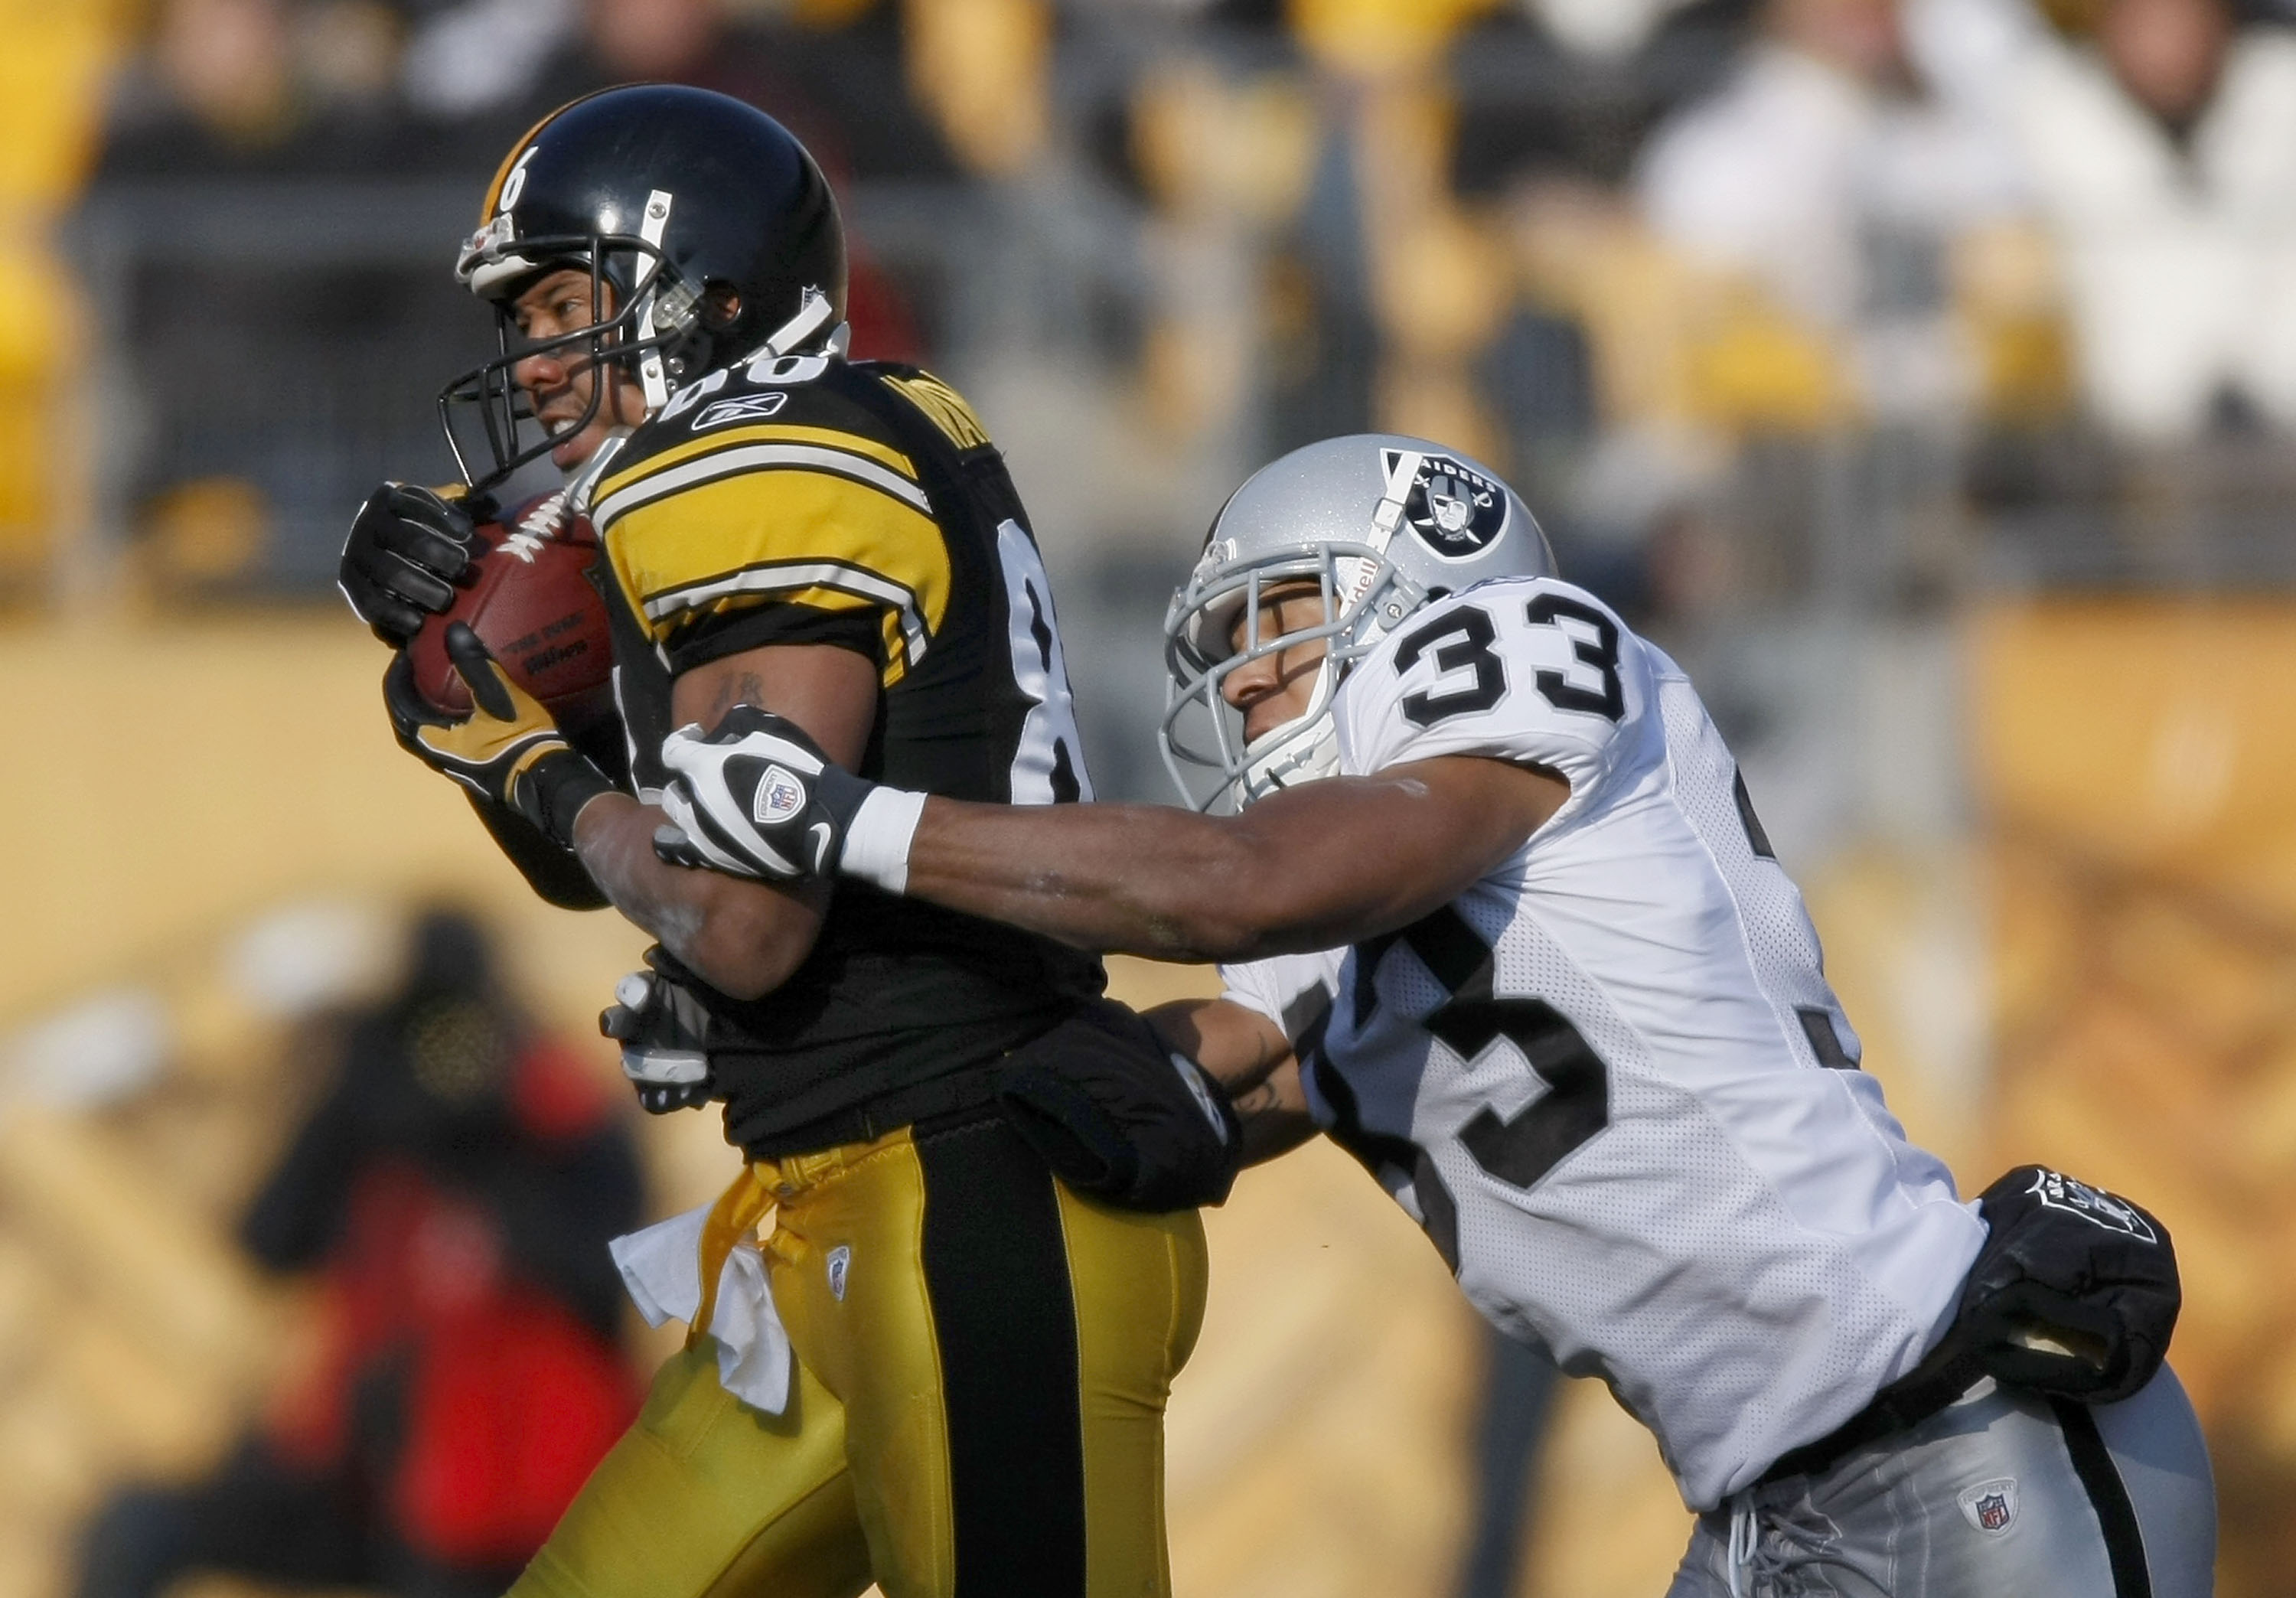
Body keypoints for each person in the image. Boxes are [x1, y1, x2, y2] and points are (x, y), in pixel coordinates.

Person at [649, 432, 2217, 1597]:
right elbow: (1121, 1091)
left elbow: (1238, 888)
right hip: (1775, 1507)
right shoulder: (1345, 940)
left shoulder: (1528, 655)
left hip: (1953, 1426)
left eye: (1272, 621)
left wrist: (845, 819)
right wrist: (782, 1027)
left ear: (1414, 586)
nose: (1242, 686)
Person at [335, 84, 1219, 1598]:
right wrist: (490, 697)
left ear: (712, 294)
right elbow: (621, 866)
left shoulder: (750, 469)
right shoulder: (840, 429)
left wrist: (531, 765)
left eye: (565, 306)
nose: (534, 361)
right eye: (521, 320)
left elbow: (742, 921)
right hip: (830, 1209)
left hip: (975, 1199)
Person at [76, 908, 641, 1598]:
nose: (443, 1058)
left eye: (460, 1039)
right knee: (141, 1530)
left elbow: (614, 1271)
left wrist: (508, 1114)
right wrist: (347, 1104)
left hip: (521, 1499)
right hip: (366, 1473)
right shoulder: (373, 1135)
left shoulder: (551, 1118)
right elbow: (268, 1243)